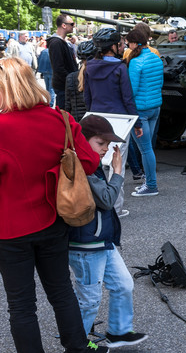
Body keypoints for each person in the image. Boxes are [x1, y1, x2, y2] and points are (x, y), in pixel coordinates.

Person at [0, 57, 106, 353]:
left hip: (9, 228)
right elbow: (90, 162)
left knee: (21, 305)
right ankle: (77, 347)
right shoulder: (60, 118)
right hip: (54, 218)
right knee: (61, 291)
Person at [69, 115, 149, 348]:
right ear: (83, 140)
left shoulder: (91, 163)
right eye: (100, 143)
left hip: (101, 240)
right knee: (89, 301)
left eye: (106, 144)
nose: (105, 149)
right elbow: (106, 200)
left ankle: (119, 331)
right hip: (85, 244)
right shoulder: (83, 166)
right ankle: (77, 346)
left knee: (124, 284)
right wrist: (117, 172)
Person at [84, 28, 142, 216]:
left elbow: (88, 96)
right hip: (119, 121)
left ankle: (98, 203)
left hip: (95, 118)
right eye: (120, 43)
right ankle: (115, 209)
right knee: (117, 163)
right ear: (114, 46)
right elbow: (127, 98)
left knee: (97, 163)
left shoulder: (89, 66)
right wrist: (137, 123)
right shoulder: (119, 67)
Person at [125, 29, 164, 197]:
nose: (127, 45)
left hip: (140, 110)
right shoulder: (156, 58)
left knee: (145, 149)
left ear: (134, 43)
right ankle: (150, 182)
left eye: (128, 42)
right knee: (148, 148)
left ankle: (151, 185)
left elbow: (131, 90)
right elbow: (160, 82)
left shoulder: (135, 62)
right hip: (155, 107)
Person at [50, 14, 79, 109]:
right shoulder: (56, 43)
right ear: (64, 25)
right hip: (63, 87)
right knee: (63, 114)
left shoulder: (61, 42)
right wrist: (71, 80)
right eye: (71, 24)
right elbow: (59, 68)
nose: (73, 26)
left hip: (66, 85)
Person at [64, 40, 96, 121]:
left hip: (77, 122)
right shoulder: (98, 76)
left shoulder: (71, 77)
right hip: (95, 121)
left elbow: (68, 105)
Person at [37, 42, 55, 106]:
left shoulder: (44, 51)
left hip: (45, 71)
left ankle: (48, 101)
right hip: (52, 71)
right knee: (51, 88)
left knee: (47, 88)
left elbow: (39, 60)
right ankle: (51, 103)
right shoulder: (54, 52)